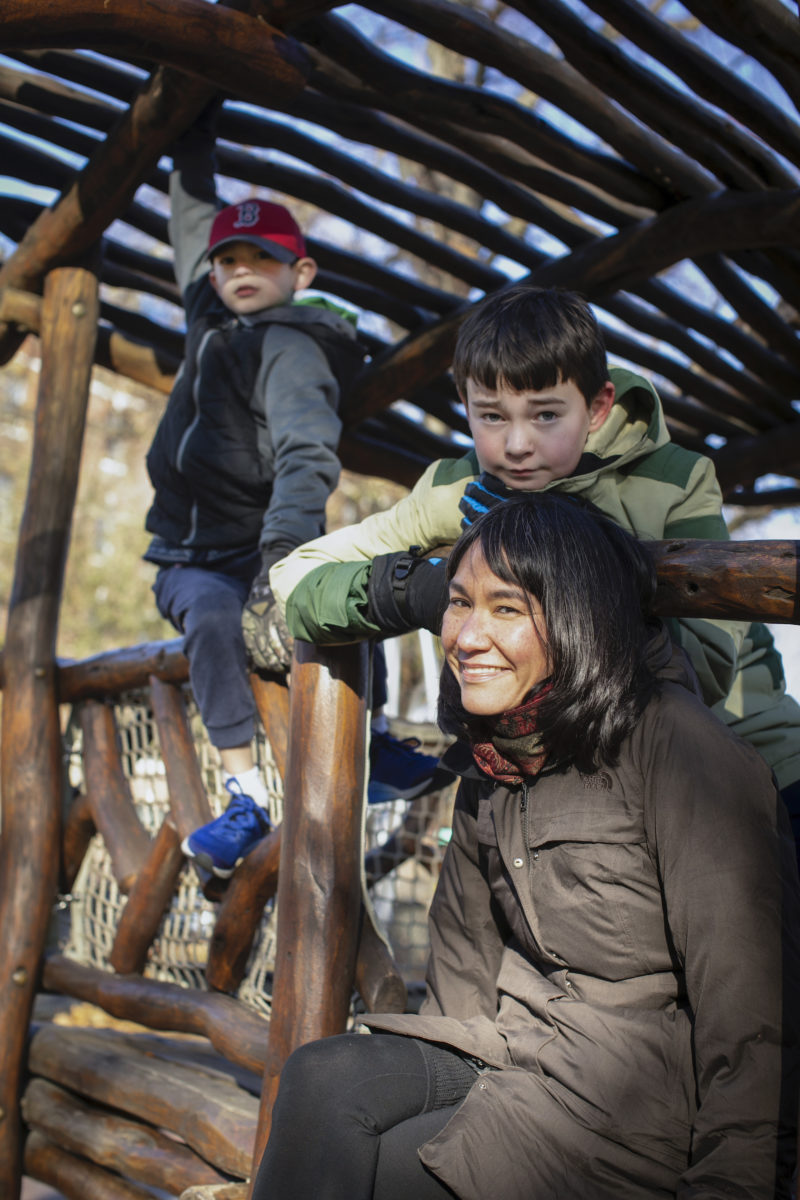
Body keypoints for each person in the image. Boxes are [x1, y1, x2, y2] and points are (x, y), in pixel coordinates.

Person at [253, 495, 800, 1200]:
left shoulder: (679, 749)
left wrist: (734, 1184)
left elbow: (752, 1015)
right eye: (458, 604)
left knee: (382, 1176)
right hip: (513, 1053)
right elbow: (461, 974)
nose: (468, 636)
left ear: (578, 617)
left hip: (633, 1108)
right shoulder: (496, 755)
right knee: (320, 1079)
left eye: (507, 609)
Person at [269, 284, 800, 860]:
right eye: (491, 416)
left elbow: (707, 668)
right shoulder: (455, 490)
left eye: (546, 414)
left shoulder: (676, 480)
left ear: (596, 407)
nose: (517, 444)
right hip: (562, 784)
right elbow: (298, 575)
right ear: (466, 406)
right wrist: (421, 591)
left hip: (739, 756)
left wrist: (566, 558)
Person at [144, 112, 439, 878]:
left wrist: (284, 561)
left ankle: (368, 748)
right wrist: (189, 139)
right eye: (230, 259)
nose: (242, 269)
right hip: (191, 555)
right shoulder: (209, 320)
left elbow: (307, 455)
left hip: (263, 547)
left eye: (263, 258)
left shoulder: (293, 346)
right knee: (209, 616)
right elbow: (191, 228)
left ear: (300, 275)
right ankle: (245, 797)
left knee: (322, 601)